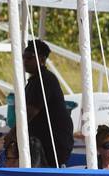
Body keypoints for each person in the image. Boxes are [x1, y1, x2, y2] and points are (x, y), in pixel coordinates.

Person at [23, 39, 75, 167]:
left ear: (42, 59)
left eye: (29, 58)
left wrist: (13, 134)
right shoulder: (35, 80)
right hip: (46, 141)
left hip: (53, 143)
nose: (25, 61)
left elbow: (30, 113)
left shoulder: (44, 79)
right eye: (24, 57)